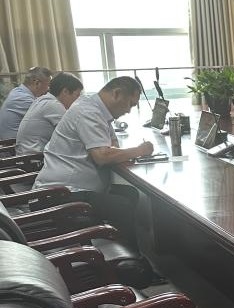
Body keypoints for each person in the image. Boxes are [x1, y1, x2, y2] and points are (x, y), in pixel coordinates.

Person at [32, 76, 153, 248]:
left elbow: (112, 145)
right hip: (59, 195)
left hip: (67, 189)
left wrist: (115, 151)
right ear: (117, 94)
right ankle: (130, 261)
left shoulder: (96, 108)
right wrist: (141, 150)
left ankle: (127, 250)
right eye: (130, 104)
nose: (128, 111)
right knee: (122, 205)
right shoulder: (88, 111)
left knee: (130, 194)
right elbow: (102, 156)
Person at [15, 72, 83, 154]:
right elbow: (73, 133)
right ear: (65, 91)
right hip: (35, 157)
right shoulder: (53, 105)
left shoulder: (43, 100)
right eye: (77, 95)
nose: (78, 100)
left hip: (27, 154)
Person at [0, 66, 52, 140]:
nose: (48, 89)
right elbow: (48, 119)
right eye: (48, 85)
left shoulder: (17, 91)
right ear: (37, 83)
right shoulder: (23, 99)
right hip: (12, 144)